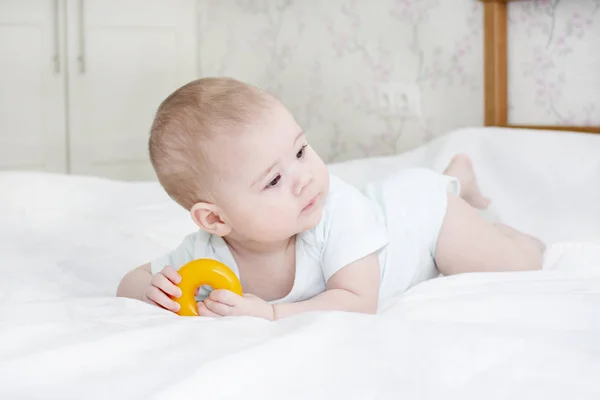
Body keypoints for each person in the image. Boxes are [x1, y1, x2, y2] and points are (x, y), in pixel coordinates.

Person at [116, 77, 545, 320]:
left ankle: (463, 193)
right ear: (214, 221)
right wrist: (155, 289)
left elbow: (358, 301)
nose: (304, 179)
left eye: (301, 151)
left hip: (422, 221)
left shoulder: (336, 211)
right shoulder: (203, 253)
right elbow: (128, 283)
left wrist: (270, 316)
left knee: (519, 263)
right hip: (399, 211)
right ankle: (455, 176)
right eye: (273, 180)